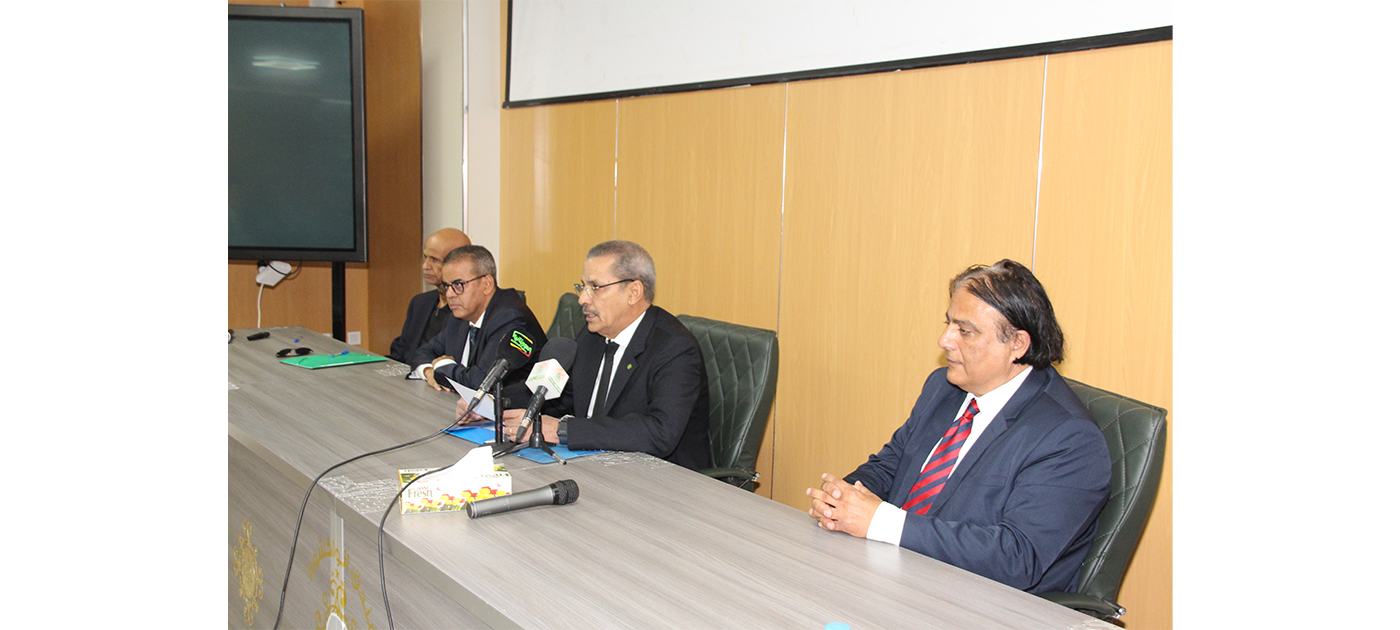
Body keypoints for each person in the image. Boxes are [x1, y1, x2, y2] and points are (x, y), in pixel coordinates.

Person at [805, 259, 1110, 594]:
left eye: (965, 331)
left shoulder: (1069, 438)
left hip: (982, 602)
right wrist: (843, 499)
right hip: (898, 576)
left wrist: (881, 522)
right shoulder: (944, 388)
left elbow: (1016, 557)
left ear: (1017, 345)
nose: (944, 340)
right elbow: (891, 467)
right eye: (948, 323)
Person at [484, 240, 711, 471]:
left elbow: (659, 432)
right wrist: (491, 403)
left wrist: (562, 430)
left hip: (661, 478)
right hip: (596, 465)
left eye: (595, 287)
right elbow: (559, 393)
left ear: (633, 292)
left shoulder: (674, 348)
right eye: (582, 287)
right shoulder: (593, 336)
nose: (583, 299)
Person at [408, 245, 546, 417]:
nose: (450, 294)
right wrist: (429, 371)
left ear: (487, 284)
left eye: (458, 285)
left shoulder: (509, 317)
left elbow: (480, 382)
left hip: (517, 417)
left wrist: (441, 368)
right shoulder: (460, 314)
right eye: (446, 286)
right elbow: (422, 352)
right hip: (466, 410)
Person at [388, 228, 474, 363]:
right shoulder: (420, 302)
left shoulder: (469, 309)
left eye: (434, 259)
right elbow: (400, 352)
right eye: (425, 257)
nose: (425, 266)